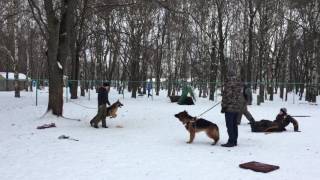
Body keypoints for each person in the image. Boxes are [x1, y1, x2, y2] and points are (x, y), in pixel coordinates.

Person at [221, 66, 245, 147]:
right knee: (234, 125)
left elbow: (228, 95)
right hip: (237, 107)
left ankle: (231, 141)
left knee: (229, 125)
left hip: (229, 107)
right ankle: (234, 140)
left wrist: (224, 106)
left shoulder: (229, 82)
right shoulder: (239, 83)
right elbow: (237, 95)